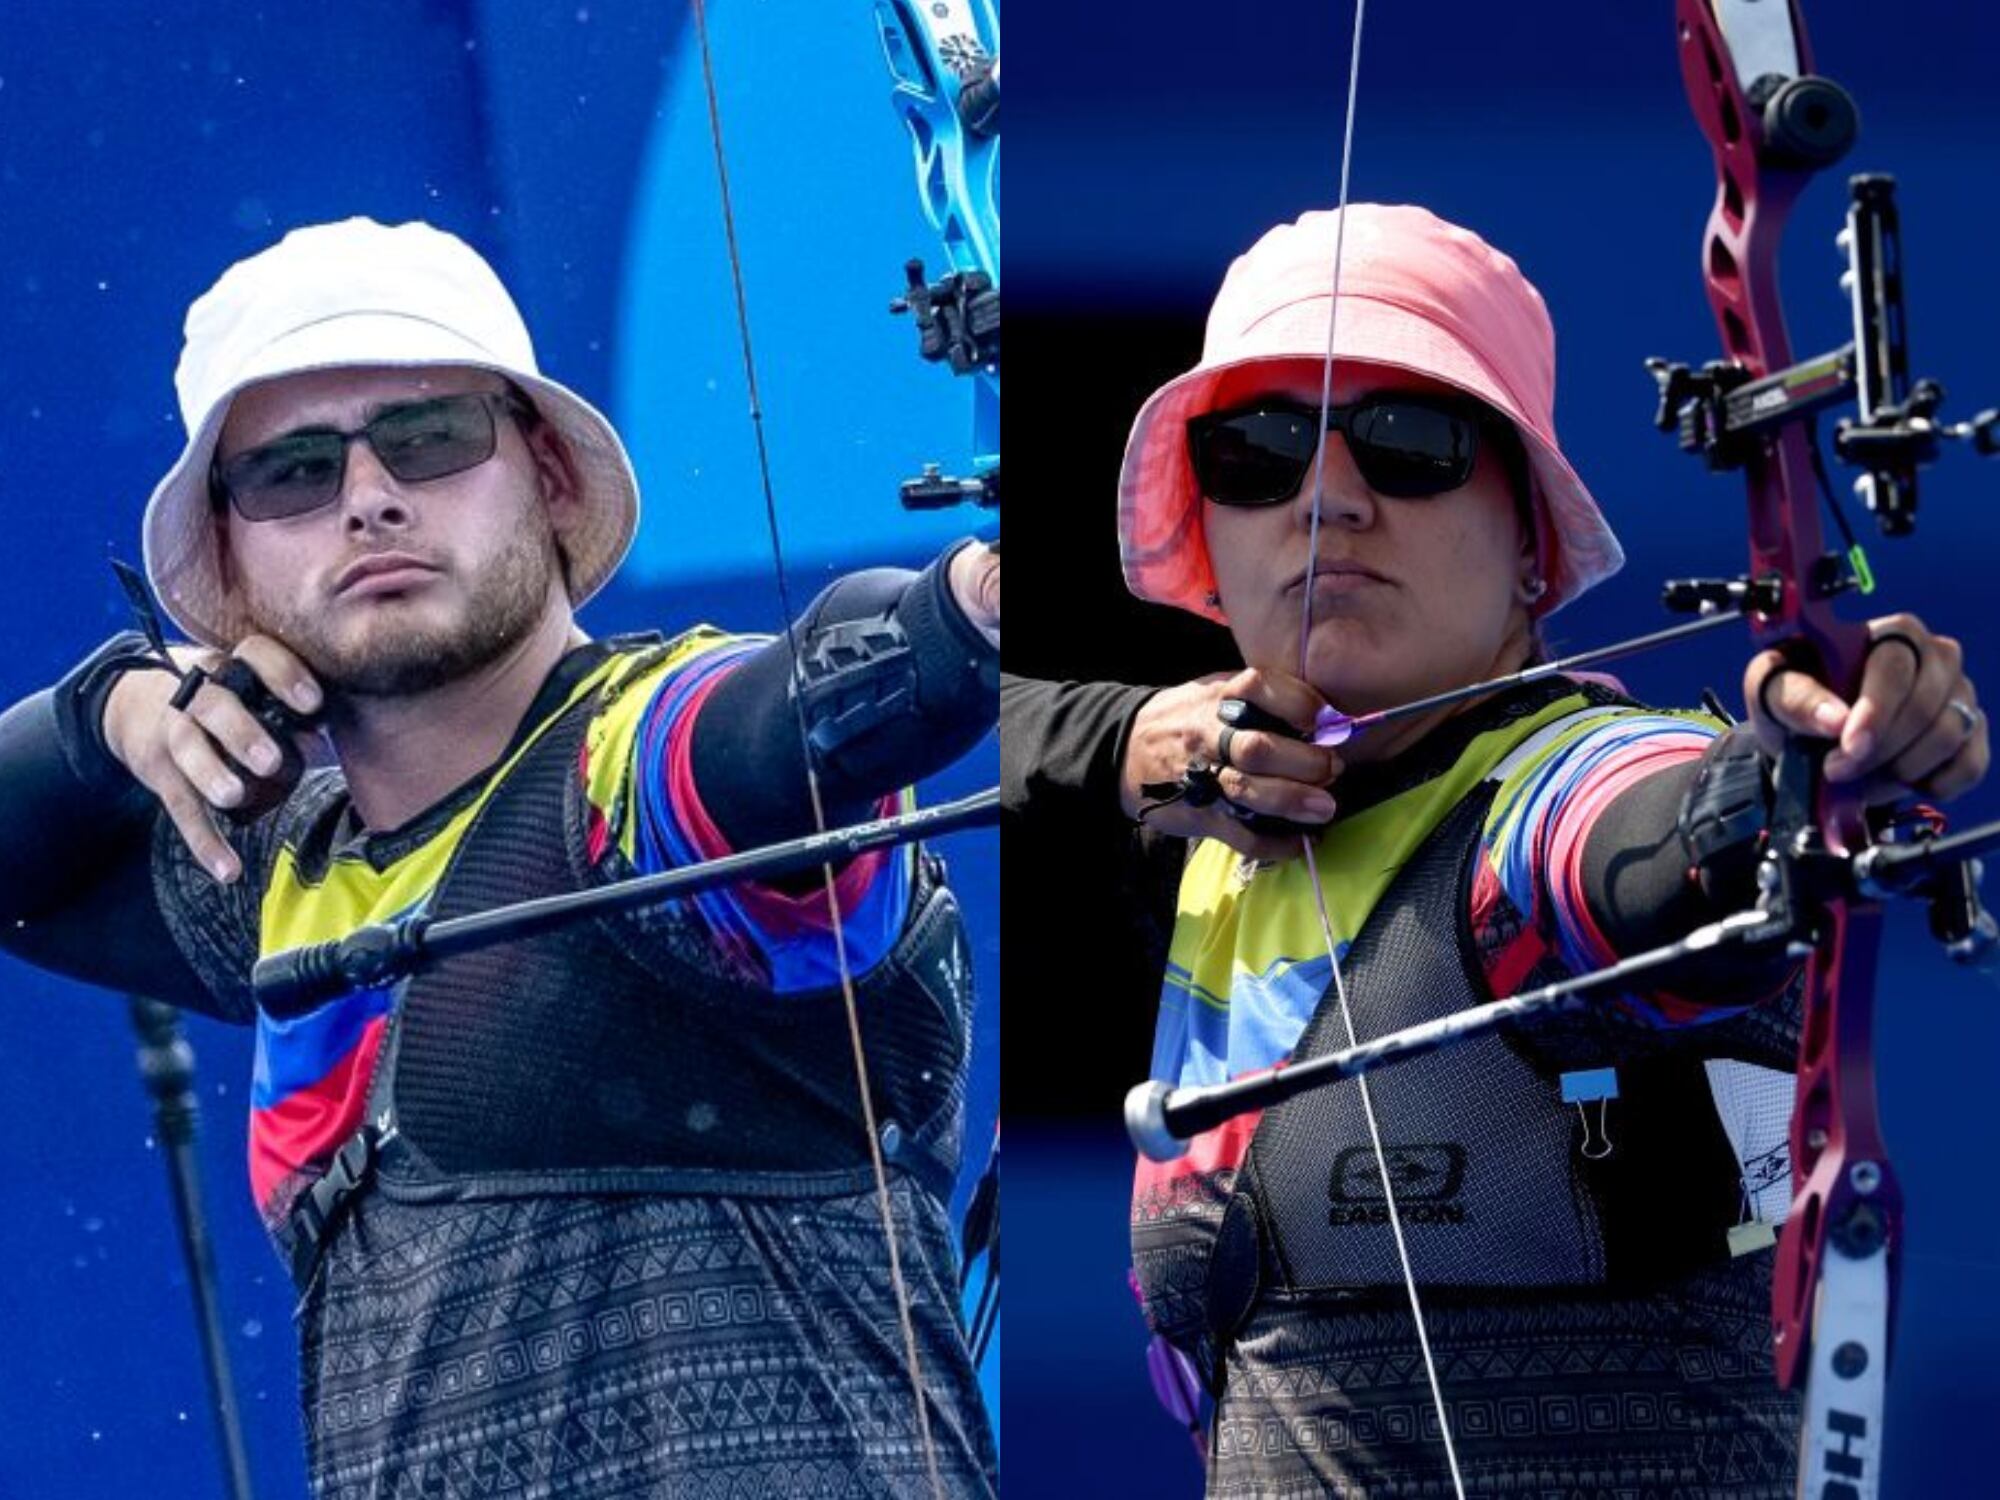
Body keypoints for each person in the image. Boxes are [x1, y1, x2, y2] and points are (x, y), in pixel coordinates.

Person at [0, 218, 1000, 1497]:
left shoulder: (635, 762)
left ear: (549, 475)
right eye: (293, 473)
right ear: (232, 558)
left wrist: (963, 608)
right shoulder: (281, 875)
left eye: (427, 437)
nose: (368, 494)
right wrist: (109, 713)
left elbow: (795, 707)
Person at [1001, 203, 1986, 1496]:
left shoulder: (1550, 794)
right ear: (1211, 519)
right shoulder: (1212, 802)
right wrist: (1120, 738)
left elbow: (1631, 847)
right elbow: (952, 732)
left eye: (1408, 445)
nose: (1326, 504)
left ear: (1530, 540)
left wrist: (1799, 777)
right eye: (1258, 453)